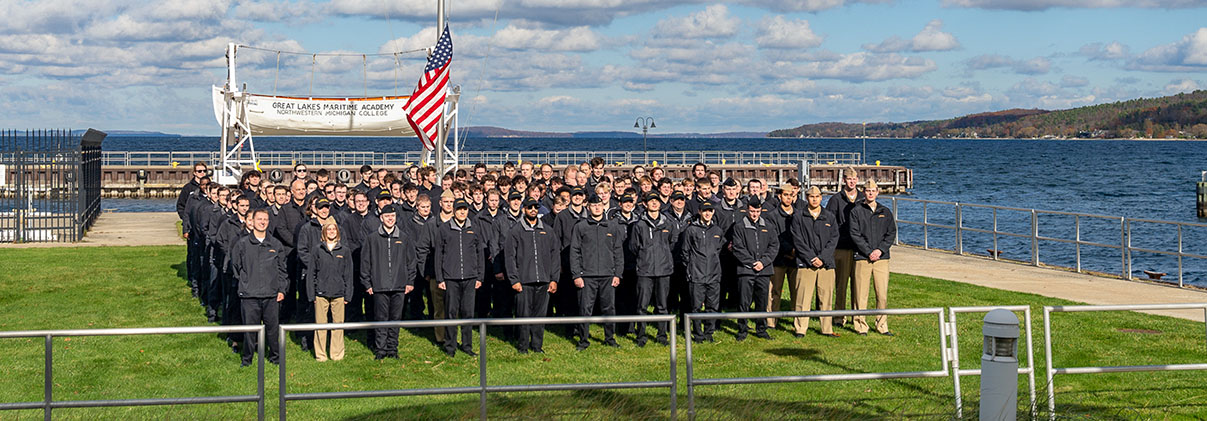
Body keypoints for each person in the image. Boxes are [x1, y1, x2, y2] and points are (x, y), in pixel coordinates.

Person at [359, 205, 417, 359]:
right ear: (381, 218)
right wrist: (367, 283)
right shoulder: (372, 238)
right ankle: (381, 350)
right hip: (379, 285)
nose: (390, 219)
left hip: (399, 285)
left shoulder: (404, 238)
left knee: (395, 319)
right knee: (381, 318)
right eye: (387, 216)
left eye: (392, 216)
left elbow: (411, 261)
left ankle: (392, 349)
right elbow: (365, 262)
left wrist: (410, 281)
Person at [231, 209, 287, 367]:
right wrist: (246, 282)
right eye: (259, 219)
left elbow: (282, 270)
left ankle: (275, 358)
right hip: (250, 295)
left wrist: (282, 290)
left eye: (265, 219)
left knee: (272, 330)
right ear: (252, 222)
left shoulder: (276, 244)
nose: (262, 222)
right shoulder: (242, 244)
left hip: (271, 295)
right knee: (250, 330)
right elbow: (235, 267)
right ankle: (247, 359)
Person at [505, 198, 561, 354]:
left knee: (539, 316)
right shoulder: (515, 231)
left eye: (536, 207)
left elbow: (555, 256)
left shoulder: (548, 231)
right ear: (524, 210)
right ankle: (523, 346)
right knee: (523, 316)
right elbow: (510, 257)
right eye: (530, 207)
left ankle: (537, 346)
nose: (533, 210)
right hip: (524, 281)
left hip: (543, 281)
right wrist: (514, 280)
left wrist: (554, 279)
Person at [432, 199, 487, 357]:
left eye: (465, 209)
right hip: (451, 278)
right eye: (459, 209)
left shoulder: (474, 228)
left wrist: (479, 276)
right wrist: (440, 278)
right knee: (451, 312)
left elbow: (479, 254)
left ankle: (467, 346)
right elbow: (438, 255)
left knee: (468, 312)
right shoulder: (444, 229)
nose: (462, 212)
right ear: (454, 211)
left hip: (470, 277)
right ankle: (450, 346)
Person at [569, 194, 624, 351]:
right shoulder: (581, 226)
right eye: (593, 205)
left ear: (603, 206)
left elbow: (618, 251)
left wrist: (617, 274)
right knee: (585, 308)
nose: (597, 207)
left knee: (609, 308)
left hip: (608, 274)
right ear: (588, 207)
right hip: (587, 275)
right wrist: (577, 275)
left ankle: (610, 338)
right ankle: (583, 340)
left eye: (599, 204)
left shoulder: (612, 226)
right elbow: (574, 251)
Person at [628, 192, 676, 347]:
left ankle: (662, 335)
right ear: (645, 204)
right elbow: (633, 246)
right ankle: (641, 335)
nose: (654, 203)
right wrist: (645, 257)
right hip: (645, 270)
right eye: (651, 201)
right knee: (642, 305)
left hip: (663, 270)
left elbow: (672, 243)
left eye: (656, 201)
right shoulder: (639, 225)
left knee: (662, 306)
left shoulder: (668, 223)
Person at [791, 187, 840, 337]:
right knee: (803, 298)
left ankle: (826, 328)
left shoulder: (829, 217)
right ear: (807, 197)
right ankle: (800, 328)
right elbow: (797, 239)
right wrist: (811, 258)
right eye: (811, 197)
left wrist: (823, 258)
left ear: (821, 198)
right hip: (806, 263)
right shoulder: (799, 216)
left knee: (826, 298)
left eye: (817, 196)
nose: (814, 199)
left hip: (826, 264)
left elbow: (834, 239)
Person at [850, 179, 897, 336]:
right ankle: (860, 325)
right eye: (867, 191)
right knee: (860, 294)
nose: (870, 193)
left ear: (877, 192)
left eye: (873, 191)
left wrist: (880, 250)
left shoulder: (885, 211)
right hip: (862, 258)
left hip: (881, 259)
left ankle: (882, 325)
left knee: (882, 294)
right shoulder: (856, 211)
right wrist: (868, 251)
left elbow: (891, 233)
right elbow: (855, 234)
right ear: (863, 192)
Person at [729, 199, 777, 341]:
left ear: (760, 210)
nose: (754, 214)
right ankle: (742, 329)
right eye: (752, 211)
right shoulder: (739, 226)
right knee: (744, 301)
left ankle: (761, 329)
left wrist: (763, 262)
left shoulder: (768, 226)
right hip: (746, 270)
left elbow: (774, 246)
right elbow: (737, 247)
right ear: (747, 210)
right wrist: (751, 263)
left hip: (764, 270)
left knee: (762, 301)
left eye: (757, 211)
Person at [680, 201, 724, 343]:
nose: (707, 213)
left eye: (710, 210)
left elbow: (719, 250)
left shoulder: (717, 230)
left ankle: (709, 333)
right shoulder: (691, 230)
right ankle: (698, 334)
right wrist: (692, 267)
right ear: (699, 211)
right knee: (696, 306)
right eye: (705, 210)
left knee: (712, 306)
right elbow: (685, 252)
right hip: (697, 274)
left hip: (714, 274)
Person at [309, 223, 353, 361]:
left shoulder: (344, 251)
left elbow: (348, 274)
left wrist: (348, 294)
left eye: (334, 229)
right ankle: (320, 355)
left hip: (339, 293)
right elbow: (311, 273)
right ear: (324, 232)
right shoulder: (317, 250)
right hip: (321, 293)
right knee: (320, 326)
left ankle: (337, 354)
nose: (332, 231)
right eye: (329, 229)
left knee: (338, 325)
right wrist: (312, 294)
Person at [827, 167, 864, 327]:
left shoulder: (863, 198)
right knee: (841, 285)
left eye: (854, 179)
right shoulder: (836, 199)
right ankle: (838, 317)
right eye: (849, 179)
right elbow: (828, 222)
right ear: (844, 180)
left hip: (860, 249)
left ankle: (858, 318)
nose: (852, 181)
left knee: (859, 286)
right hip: (841, 248)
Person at [765, 186, 798, 330]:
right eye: (785, 195)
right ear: (780, 196)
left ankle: (798, 322)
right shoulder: (772, 215)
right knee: (774, 292)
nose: (788, 198)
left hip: (796, 258)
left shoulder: (799, 214)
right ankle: (771, 321)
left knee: (796, 292)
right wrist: (789, 249)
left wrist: (797, 250)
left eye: (791, 195)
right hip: (778, 258)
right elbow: (773, 237)